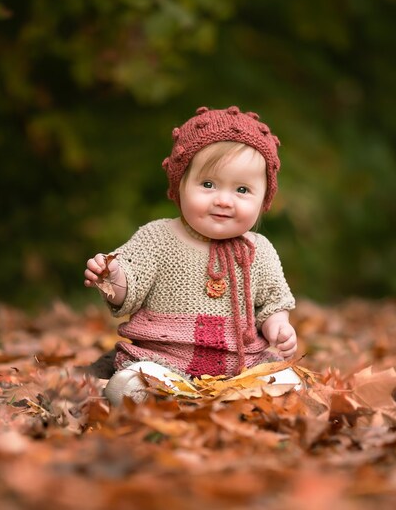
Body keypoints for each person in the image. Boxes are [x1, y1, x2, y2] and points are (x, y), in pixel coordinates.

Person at [84, 106, 301, 405]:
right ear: (180, 184)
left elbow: (273, 303)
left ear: (264, 198)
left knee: (287, 382)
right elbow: (127, 292)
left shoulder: (258, 249)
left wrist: (279, 325)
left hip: (240, 369)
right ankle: (166, 398)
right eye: (208, 185)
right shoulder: (157, 237)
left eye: (242, 189)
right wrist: (113, 276)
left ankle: (237, 400)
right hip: (165, 360)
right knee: (137, 381)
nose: (223, 200)